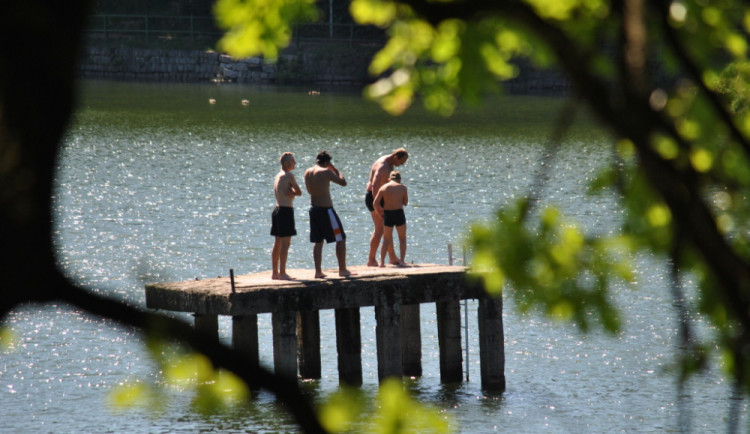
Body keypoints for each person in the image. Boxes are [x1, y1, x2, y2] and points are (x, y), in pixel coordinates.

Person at [304, 150, 353, 278]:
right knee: (340, 238)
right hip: (326, 210)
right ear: (326, 162)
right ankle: (342, 270)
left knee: (318, 241)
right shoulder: (326, 171)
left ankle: (318, 272)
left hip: (314, 209)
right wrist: (336, 170)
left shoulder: (308, 172)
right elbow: (343, 182)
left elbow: (310, 191)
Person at [365, 148, 409, 266]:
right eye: (401, 162)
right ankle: (371, 259)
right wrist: (377, 206)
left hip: (382, 197)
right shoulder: (383, 167)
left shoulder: (388, 161)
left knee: (387, 229)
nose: (401, 165)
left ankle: (392, 258)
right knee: (380, 229)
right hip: (375, 198)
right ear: (395, 157)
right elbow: (375, 186)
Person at [271, 152, 303, 280]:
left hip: (277, 210)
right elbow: (299, 192)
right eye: (292, 161)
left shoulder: (278, 175)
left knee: (277, 242)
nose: (294, 163)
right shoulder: (289, 176)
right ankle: (282, 272)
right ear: (285, 163)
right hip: (285, 211)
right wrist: (293, 192)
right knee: (286, 243)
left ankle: (275, 272)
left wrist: (291, 192)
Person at [373, 171, 409, 267]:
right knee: (402, 238)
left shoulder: (383, 187)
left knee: (386, 239)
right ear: (399, 179)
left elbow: (375, 203)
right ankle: (401, 261)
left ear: (389, 179)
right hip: (399, 213)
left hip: (388, 214)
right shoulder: (403, 187)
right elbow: (405, 203)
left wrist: (380, 213)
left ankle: (382, 263)